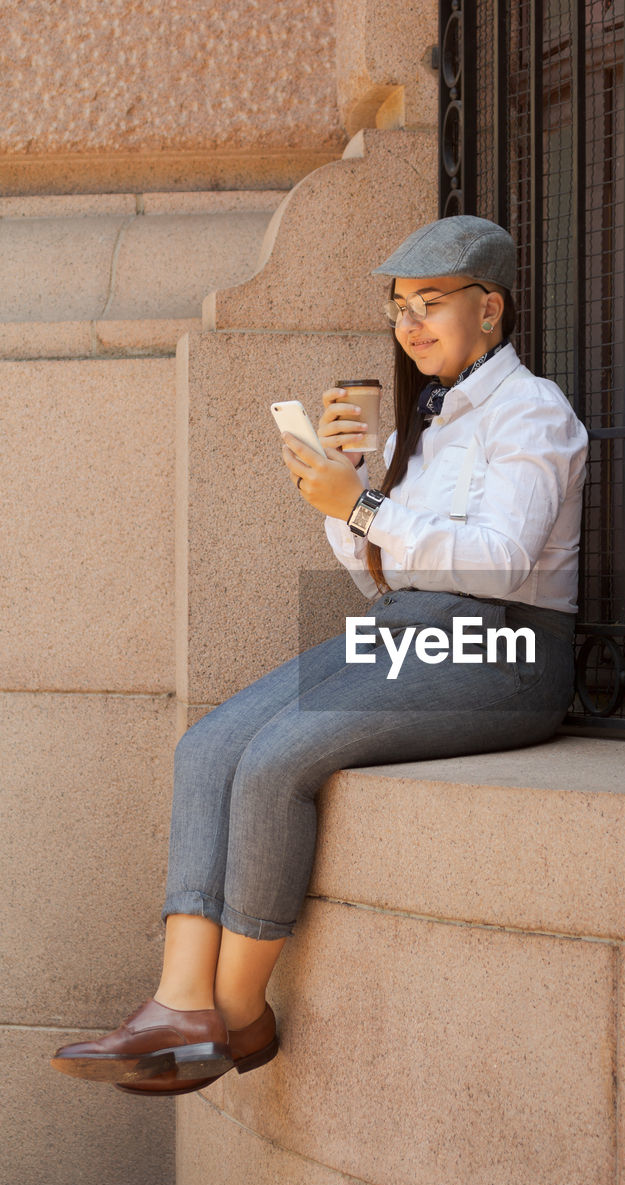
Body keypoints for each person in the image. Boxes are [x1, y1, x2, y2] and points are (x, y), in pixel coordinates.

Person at [51, 215, 588, 1097]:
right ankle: (179, 1001)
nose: (410, 325)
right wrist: (345, 488)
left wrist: (368, 506)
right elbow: (377, 573)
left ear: (488, 309)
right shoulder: (430, 419)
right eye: (398, 308)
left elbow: (499, 560)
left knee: (277, 758)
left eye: (431, 304)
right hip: (413, 627)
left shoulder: (532, 411)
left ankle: (236, 1016)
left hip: (504, 648)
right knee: (209, 745)